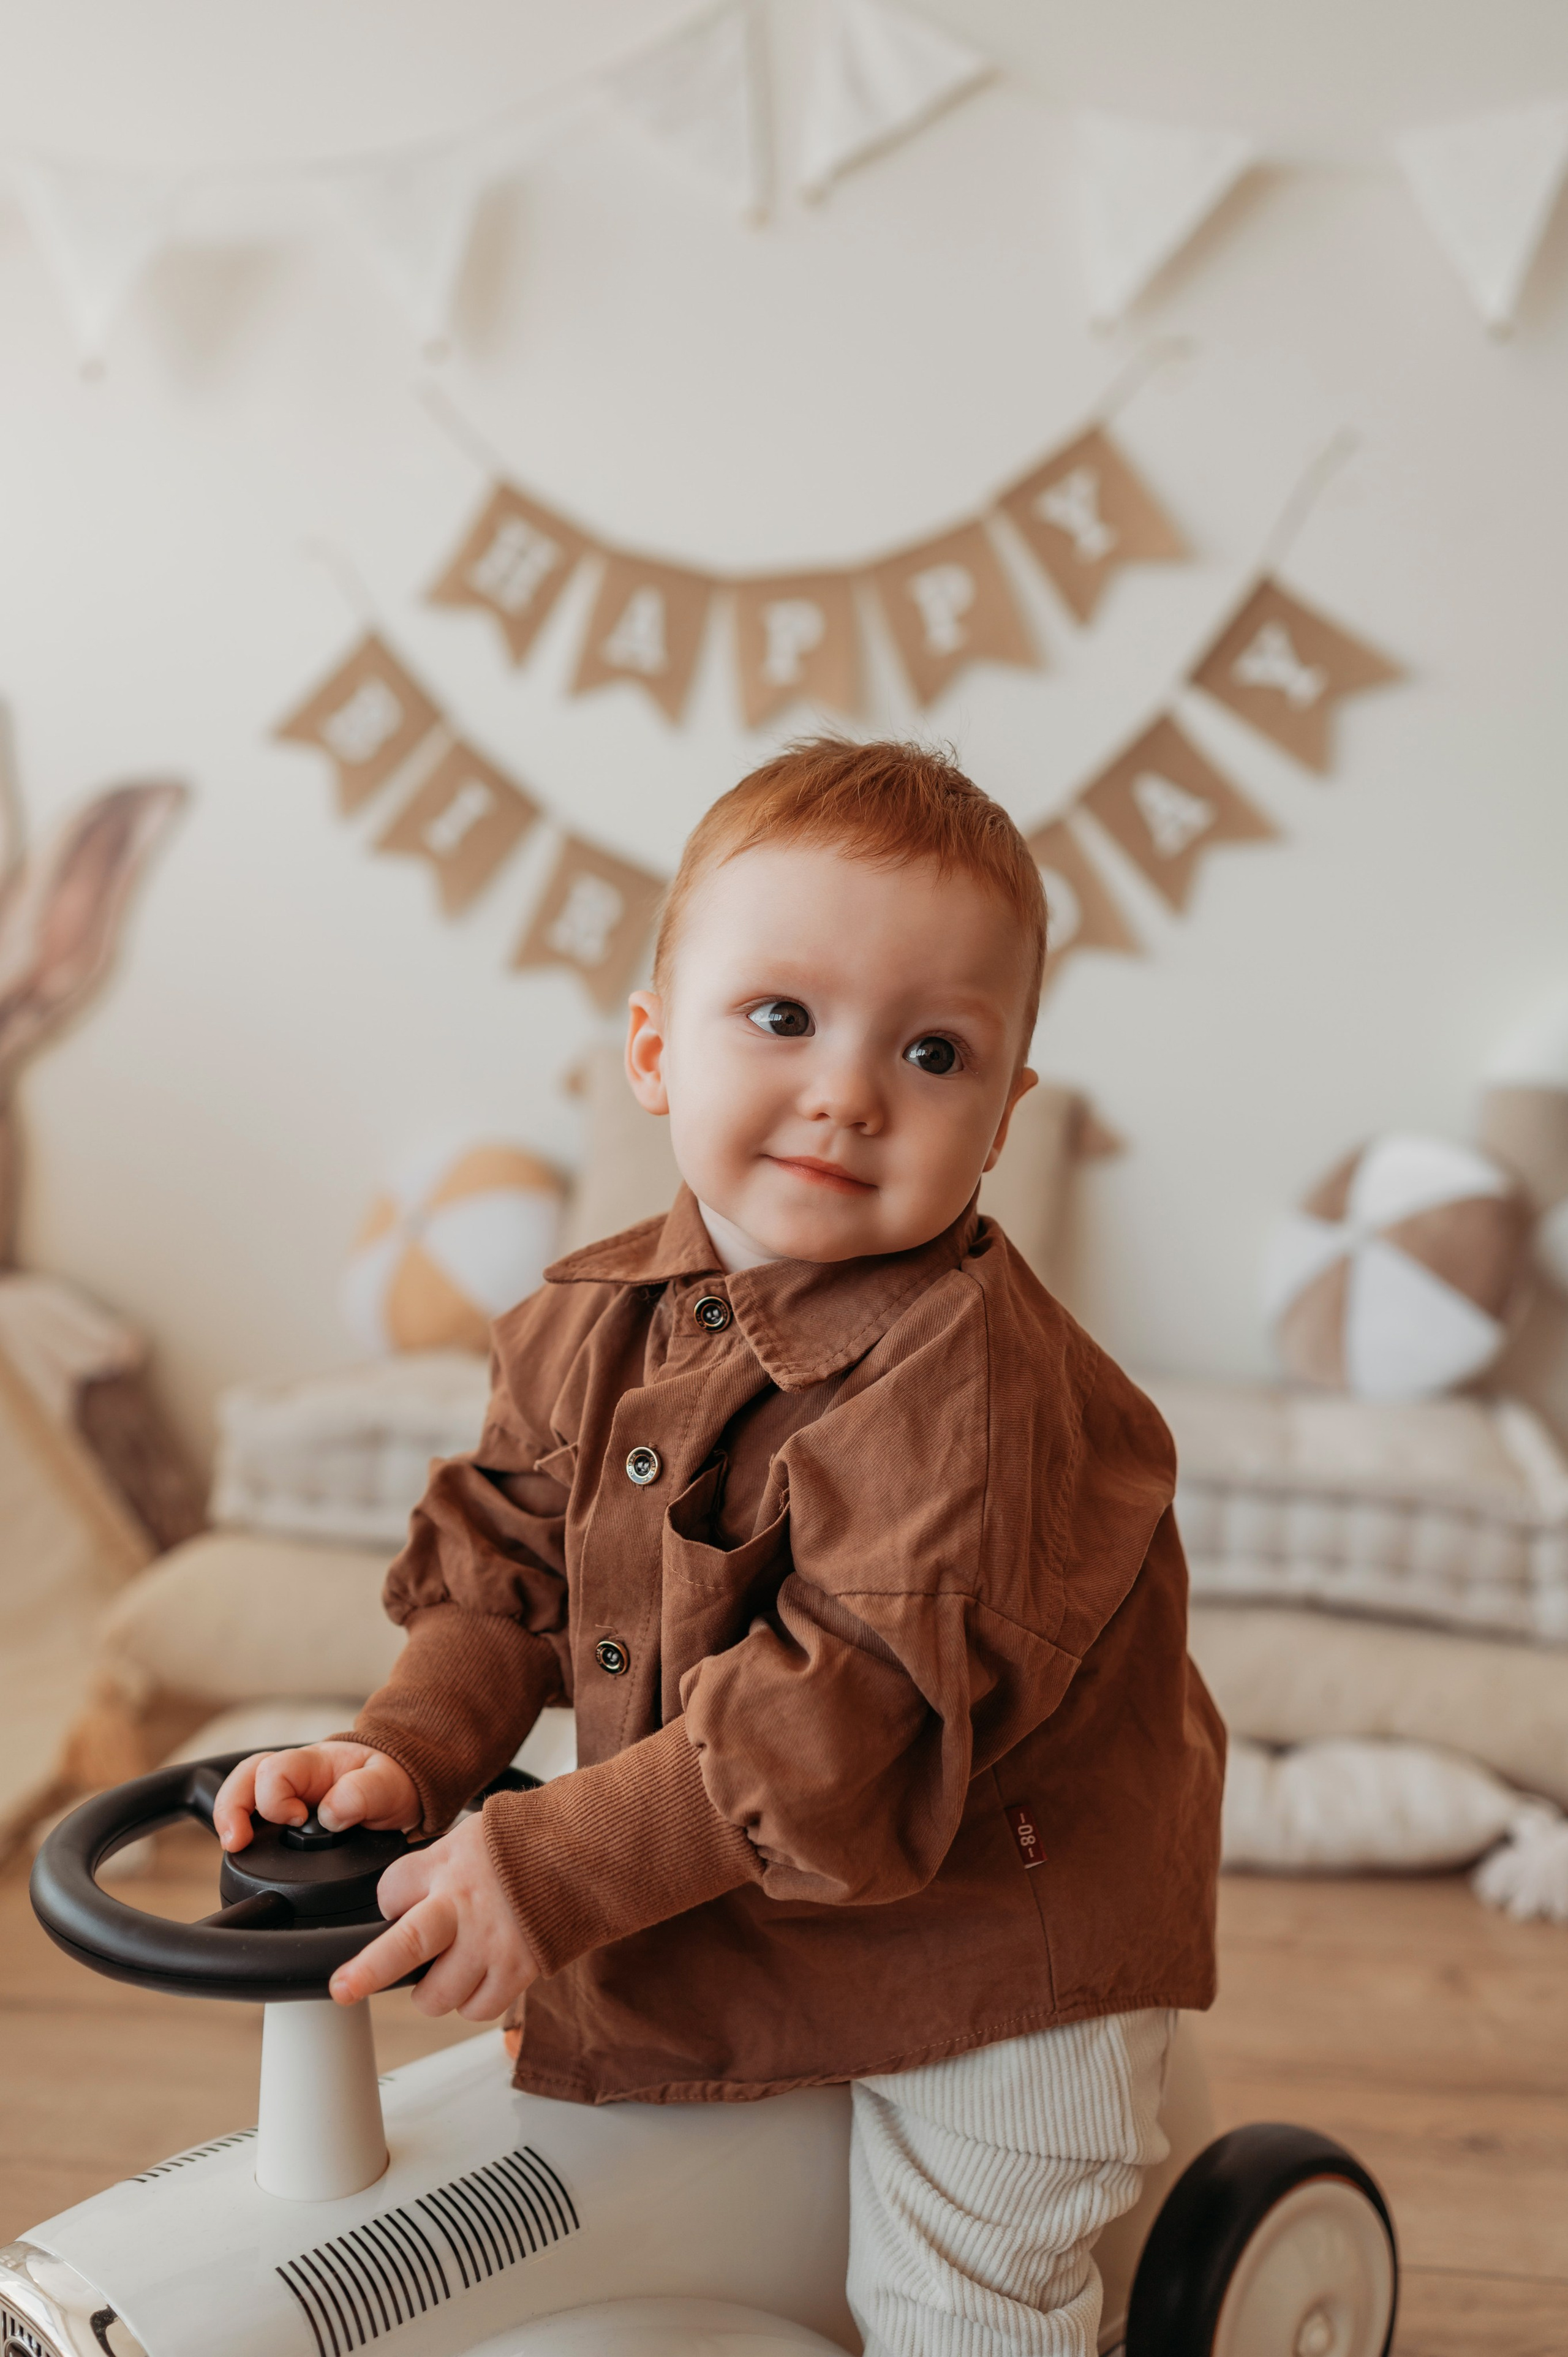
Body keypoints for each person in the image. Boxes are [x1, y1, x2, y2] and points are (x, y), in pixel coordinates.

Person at [216, 736, 1223, 2357]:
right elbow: (508, 1571)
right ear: (654, 1048)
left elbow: (844, 1716)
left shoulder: (968, 1387)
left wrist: (549, 1860)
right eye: (783, 1017)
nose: (847, 1088)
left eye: (938, 1050)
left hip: (998, 1943)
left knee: (956, 2304)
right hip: (750, 1893)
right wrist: (410, 1751)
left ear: (1005, 1115)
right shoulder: (587, 1317)